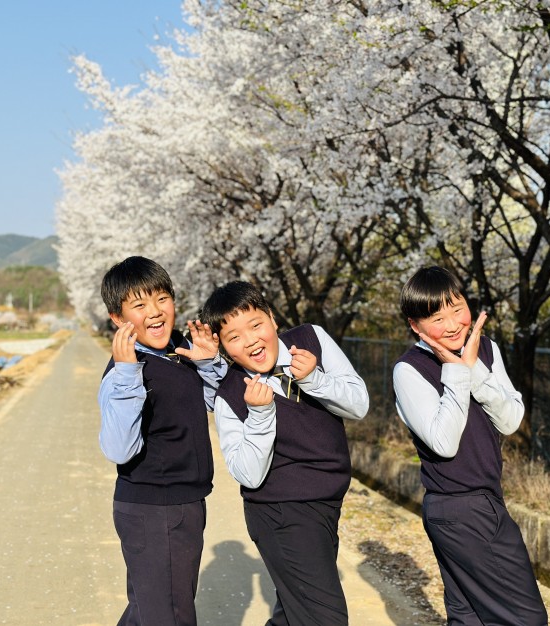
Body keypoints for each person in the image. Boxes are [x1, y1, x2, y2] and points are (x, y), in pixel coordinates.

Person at [199, 281, 369, 626]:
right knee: (325, 619)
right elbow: (247, 474)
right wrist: (260, 415)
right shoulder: (230, 395)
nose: (250, 341)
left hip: (327, 503)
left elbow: (359, 405)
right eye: (234, 337)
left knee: (294, 616)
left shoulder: (312, 339)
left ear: (272, 319)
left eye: (256, 325)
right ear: (224, 348)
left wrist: (316, 381)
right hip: (279, 513)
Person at [392, 266, 548, 625]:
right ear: (415, 325)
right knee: (527, 619)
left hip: (484, 500)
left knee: (470, 618)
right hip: (459, 507)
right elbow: (444, 444)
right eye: (436, 316)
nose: (451, 324)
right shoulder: (410, 369)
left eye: (457, 308)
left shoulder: (486, 348)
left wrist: (473, 365)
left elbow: (510, 420)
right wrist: (458, 371)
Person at [98, 256, 226, 626]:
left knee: (149, 611)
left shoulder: (178, 351)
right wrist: (125, 375)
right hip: (155, 510)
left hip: (182, 504)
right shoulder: (123, 370)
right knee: (169, 615)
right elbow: (118, 448)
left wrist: (208, 365)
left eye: (161, 299)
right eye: (138, 305)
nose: (154, 312)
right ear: (118, 320)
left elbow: (219, 403)